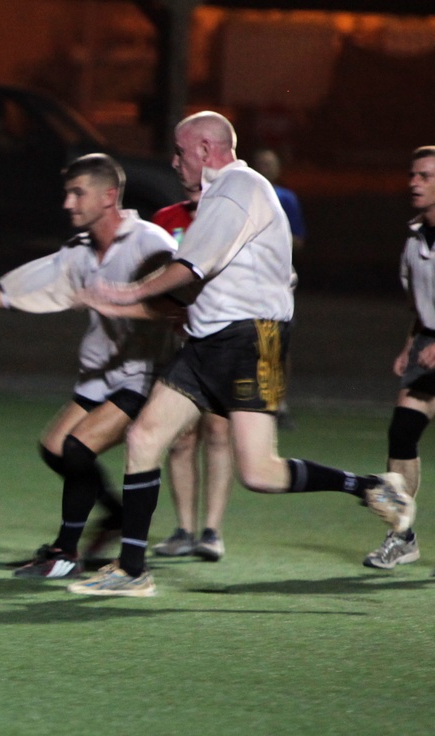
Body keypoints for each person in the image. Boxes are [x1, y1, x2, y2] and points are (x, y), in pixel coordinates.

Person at [70, 111, 415, 598]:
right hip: (209, 343)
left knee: (259, 471)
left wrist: (126, 294)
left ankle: (368, 487)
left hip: (252, 342)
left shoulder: (239, 187)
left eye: (180, 151)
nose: (173, 161)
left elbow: (190, 267)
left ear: (208, 151)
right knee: (145, 437)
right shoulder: (217, 197)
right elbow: (215, 277)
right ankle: (131, 571)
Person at [0, 152, 178, 579]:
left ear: (109, 196)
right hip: (98, 376)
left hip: (145, 374)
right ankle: (111, 516)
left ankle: (65, 553)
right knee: (56, 448)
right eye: (67, 193)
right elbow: (14, 290)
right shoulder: (77, 251)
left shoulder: (152, 243)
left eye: (78, 193)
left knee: (78, 448)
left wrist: (118, 303)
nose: (68, 203)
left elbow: (180, 310)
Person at [150, 189, 234, 562]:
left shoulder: (237, 214)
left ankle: (212, 532)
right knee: (182, 438)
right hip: (180, 341)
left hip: (224, 341)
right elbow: (153, 274)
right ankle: (184, 529)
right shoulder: (167, 219)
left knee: (218, 431)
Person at [364, 145, 435, 571]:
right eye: (413, 175)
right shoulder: (413, 240)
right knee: (402, 432)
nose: (414, 183)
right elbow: (418, 304)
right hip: (427, 344)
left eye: (425, 176)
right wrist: (410, 343)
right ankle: (401, 536)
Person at [251, 148, 305, 429]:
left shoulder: (286, 198)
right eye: (260, 162)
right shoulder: (247, 196)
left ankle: (279, 402)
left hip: (276, 279)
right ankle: (252, 401)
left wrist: (273, 237)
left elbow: (298, 240)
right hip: (248, 280)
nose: (265, 168)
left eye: (270, 163)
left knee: (278, 341)